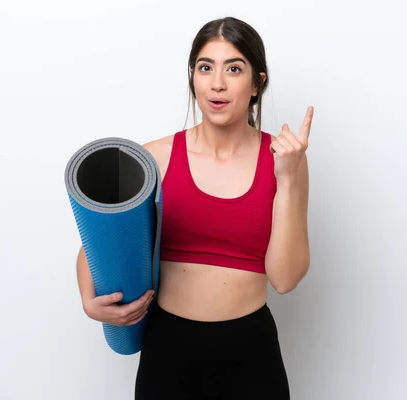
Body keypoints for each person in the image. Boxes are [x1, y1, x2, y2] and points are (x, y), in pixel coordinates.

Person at [76, 16, 312, 399]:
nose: (217, 83)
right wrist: (90, 302)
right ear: (193, 78)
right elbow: (97, 246)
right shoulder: (156, 157)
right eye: (206, 68)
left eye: (233, 69)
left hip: (250, 355)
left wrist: (286, 179)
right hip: (168, 351)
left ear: (257, 84)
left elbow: (285, 279)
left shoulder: (284, 161)